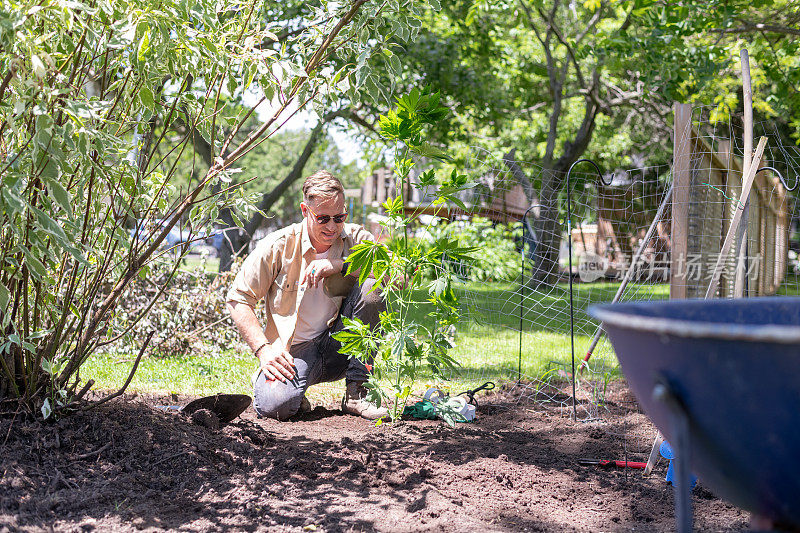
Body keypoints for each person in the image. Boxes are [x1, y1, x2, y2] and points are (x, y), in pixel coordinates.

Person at [226, 170, 388, 421]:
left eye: (340, 217)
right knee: (276, 407)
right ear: (305, 211)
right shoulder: (278, 245)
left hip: (343, 344)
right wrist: (264, 350)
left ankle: (358, 391)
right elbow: (238, 298)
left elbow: (395, 277)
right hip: (296, 351)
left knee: (373, 285)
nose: (333, 226)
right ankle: (289, 389)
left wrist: (339, 265)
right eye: (323, 218)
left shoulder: (358, 240)